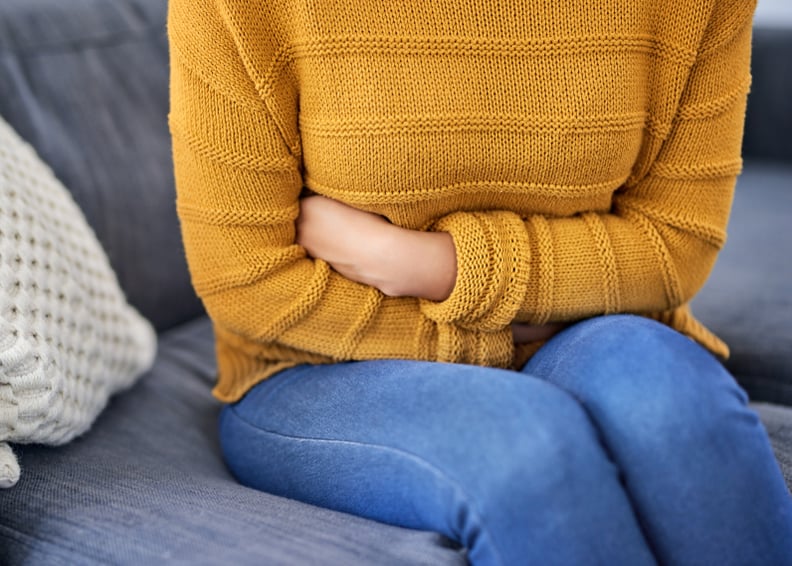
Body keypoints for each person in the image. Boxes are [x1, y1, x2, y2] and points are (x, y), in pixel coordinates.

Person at [168, 0, 792, 563]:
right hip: (317, 365)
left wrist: (423, 264)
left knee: (681, 412)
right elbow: (246, 278)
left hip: (584, 332)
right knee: (525, 449)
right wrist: (499, 334)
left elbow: (672, 245)